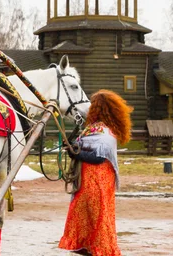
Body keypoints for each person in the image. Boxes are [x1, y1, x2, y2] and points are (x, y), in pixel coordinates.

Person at [59, 89, 133, 256]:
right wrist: (73, 147)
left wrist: (75, 153)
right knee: (88, 214)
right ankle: (87, 247)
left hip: (98, 181)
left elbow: (98, 157)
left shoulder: (106, 133)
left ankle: (98, 249)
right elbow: (84, 148)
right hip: (87, 181)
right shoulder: (92, 129)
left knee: (96, 215)